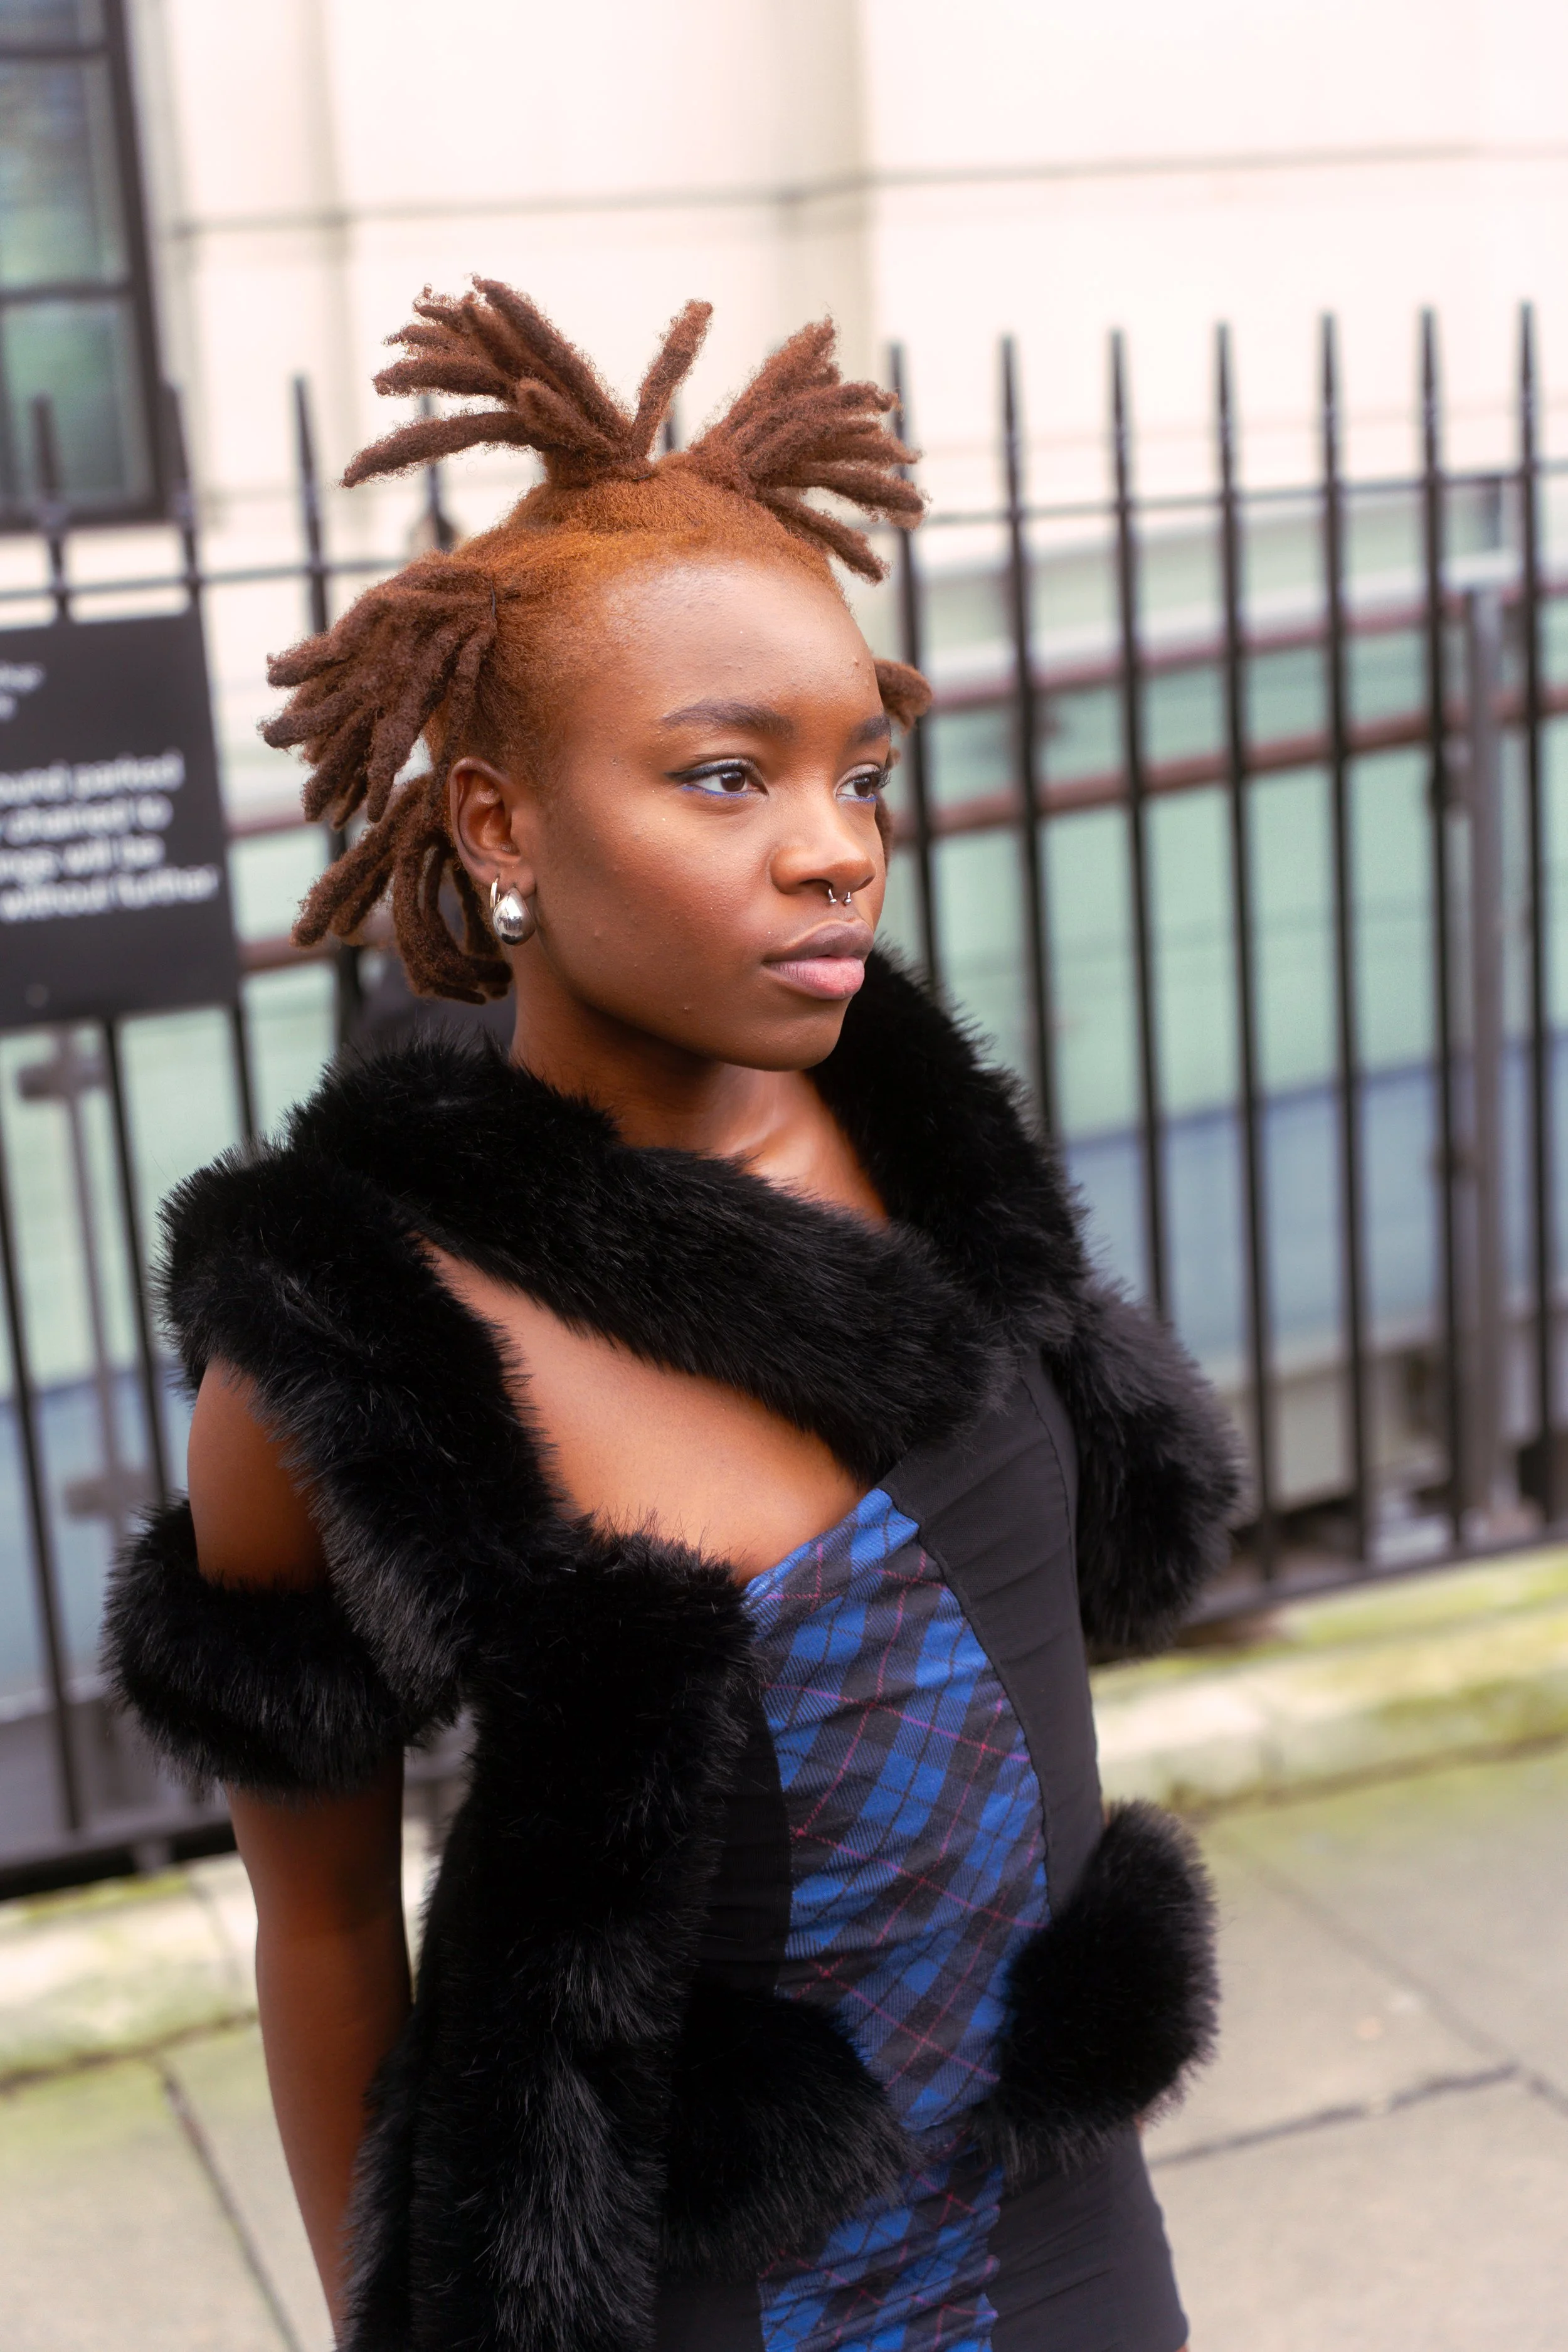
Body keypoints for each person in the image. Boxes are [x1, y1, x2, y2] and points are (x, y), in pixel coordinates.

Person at [107, 282, 1236, 2352]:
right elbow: (325, 1916)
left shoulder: (924, 1139)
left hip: (1063, 2229)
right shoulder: (354, 1342)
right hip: (705, 2295)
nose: (833, 852)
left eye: (858, 771)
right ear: (499, 822)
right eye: (726, 778)